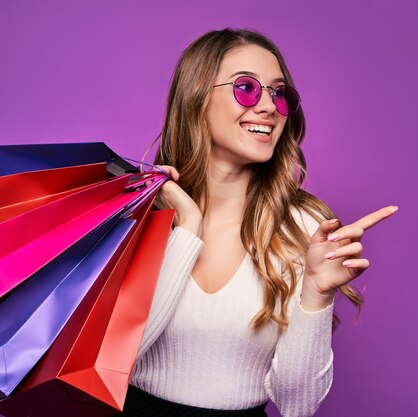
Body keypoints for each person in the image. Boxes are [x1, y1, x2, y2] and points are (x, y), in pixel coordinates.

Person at [120, 28, 397, 417]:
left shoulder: (304, 227)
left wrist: (316, 293)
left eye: (278, 93)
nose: (268, 107)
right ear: (197, 98)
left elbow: (296, 405)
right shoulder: (138, 212)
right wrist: (187, 226)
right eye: (246, 88)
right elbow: (116, 361)